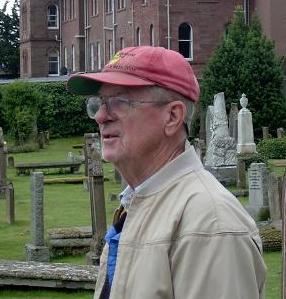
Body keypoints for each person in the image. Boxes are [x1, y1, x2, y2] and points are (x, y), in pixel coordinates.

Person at [67, 46, 266, 299]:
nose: (101, 116)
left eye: (119, 102)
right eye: (99, 103)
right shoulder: (137, 204)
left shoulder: (211, 225)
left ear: (172, 116)